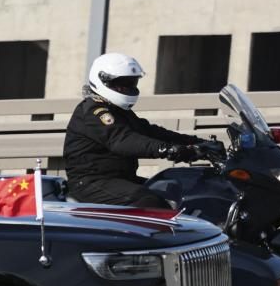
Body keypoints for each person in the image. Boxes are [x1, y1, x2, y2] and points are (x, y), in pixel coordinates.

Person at [64, 53, 213, 209]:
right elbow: (123, 141)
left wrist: (196, 142)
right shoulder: (94, 111)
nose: (128, 89)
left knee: (173, 191)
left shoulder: (117, 110)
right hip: (91, 182)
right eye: (122, 84)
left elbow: (149, 131)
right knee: (148, 201)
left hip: (119, 179)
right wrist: (167, 149)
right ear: (103, 81)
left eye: (131, 83)